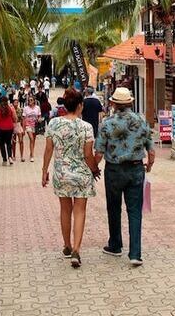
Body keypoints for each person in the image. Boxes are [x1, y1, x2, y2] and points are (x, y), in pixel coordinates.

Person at [94, 87, 155, 267]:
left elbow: (98, 152)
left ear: (113, 103)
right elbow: (151, 150)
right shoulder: (142, 121)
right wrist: (149, 165)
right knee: (135, 211)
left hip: (113, 170)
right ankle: (135, 253)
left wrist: (93, 168)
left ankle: (115, 244)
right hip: (136, 169)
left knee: (113, 207)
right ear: (130, 102)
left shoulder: (107, 123)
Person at [42, 88, 101, 268]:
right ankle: (76, 249)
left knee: (65, 210)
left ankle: (67, 245)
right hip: (82, 175)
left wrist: (44, 171)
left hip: (61, 173)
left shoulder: (53, 124)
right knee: (80, 211)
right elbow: (88, 154)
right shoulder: (86, 127)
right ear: (80, 106)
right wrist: (94, 169)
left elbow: (48, 150)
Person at [0, 96, 18, 165]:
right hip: (9, 128)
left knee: (2, 144)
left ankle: (4, 159)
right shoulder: (11, 108)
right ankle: (10, 157)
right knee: (9, 143)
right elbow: (15, 118)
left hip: (0, 128)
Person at [20, 95, 41, 162]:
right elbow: (23, 119)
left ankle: (31, 153)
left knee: (33, 141)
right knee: (31, 139)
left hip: (35, 125)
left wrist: (39, 119)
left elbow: (39, 115)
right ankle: (32, 156)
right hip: (28, 125)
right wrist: (23, 129)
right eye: (29, 100)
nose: (30, 101)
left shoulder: (37, 108)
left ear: (34, 101)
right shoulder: (25, 108)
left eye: (31, 100)